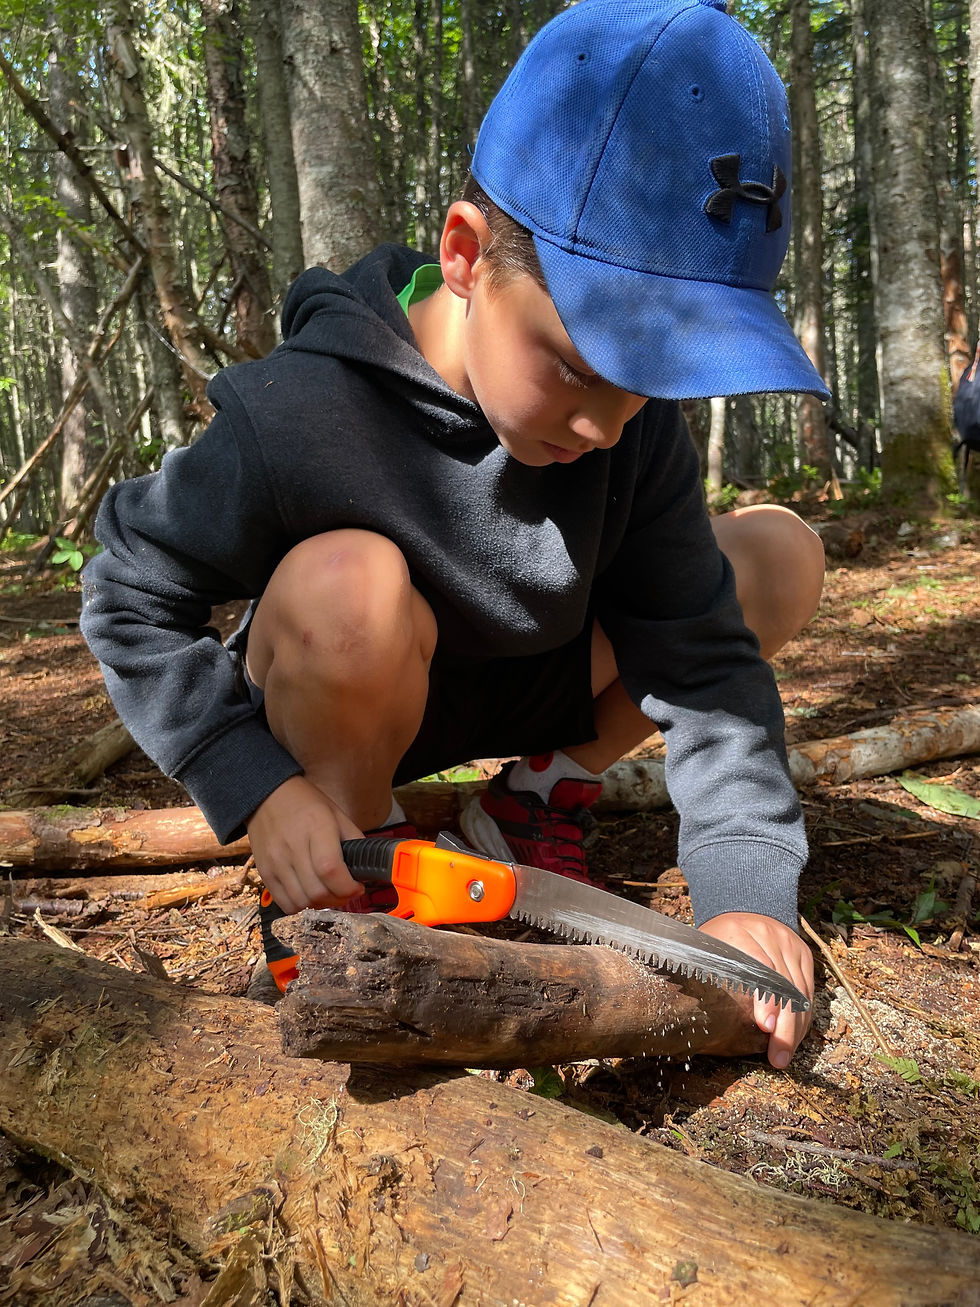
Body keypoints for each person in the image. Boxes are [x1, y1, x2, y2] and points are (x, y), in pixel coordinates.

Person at [81, 0, 828, 1068]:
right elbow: (127, 588)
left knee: (773, 553)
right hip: (354, 685)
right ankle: (349, 868)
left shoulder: (625, 424)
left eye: (647, 382)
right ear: (466, 255)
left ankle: (534, 797)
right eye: (576, 367)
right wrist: (252, 779)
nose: (607, 422)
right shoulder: (299, 415)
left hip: (538, 671)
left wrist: (746, 884)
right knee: (348, 584)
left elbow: (700, 663)